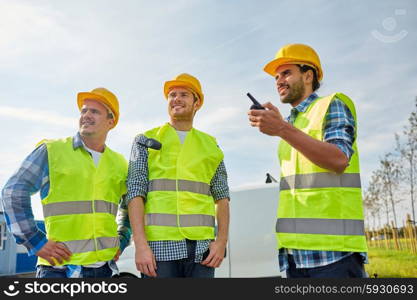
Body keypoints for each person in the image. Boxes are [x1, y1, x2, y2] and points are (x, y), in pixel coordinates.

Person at [248, 44, 368, 278]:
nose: (279, 81)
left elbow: (339, 159)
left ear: (308, 75)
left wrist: (281, 128)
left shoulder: (331, 105)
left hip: (334, 255)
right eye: (276, 76)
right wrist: (284, 126)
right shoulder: (291, 126)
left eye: (286, 73)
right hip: (295, 256)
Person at [1, 88, 130, 278]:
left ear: (111, 121)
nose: (86, 115)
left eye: (94, 111)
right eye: (83, 111)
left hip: (104, 270)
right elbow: (12, 192)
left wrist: (122, 238)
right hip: (58, 270)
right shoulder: (52, 151)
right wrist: (36, 242)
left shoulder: (119, 163)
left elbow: (130, 205)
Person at [126, 73, 230, 278]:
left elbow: (222, 197)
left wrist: (221, 242)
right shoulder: (145, 140)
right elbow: (135, 193)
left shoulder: (211, 145)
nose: (176, 99)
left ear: (197, 103)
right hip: (158, 249)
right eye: (172, 95)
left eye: (184, 94)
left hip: (202, 250)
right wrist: (140, 245)